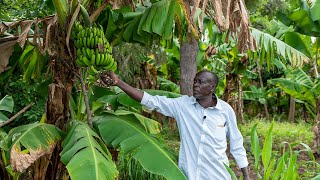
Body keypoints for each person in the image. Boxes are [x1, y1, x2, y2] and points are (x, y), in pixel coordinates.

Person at [101, 70, 250, 180]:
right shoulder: (182, 105)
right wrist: (118, 82)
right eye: (195, 81)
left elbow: (236, 144)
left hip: (218, 176)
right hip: (189, 175)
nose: (195, 85)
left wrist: (246, 176)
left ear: (212, 87)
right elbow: (150, 100)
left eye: (200, 82)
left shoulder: (225, 111)